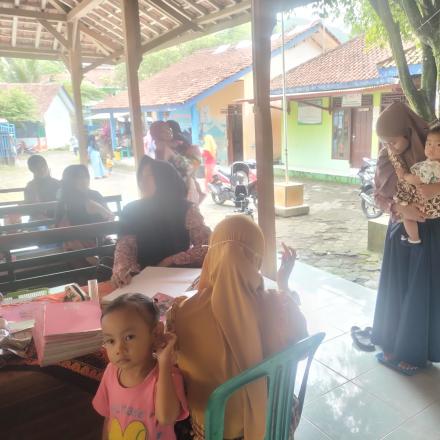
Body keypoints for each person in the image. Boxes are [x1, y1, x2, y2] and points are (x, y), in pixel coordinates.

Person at [167, 215, 308, 439]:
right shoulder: (281, 306)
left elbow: (174, 367)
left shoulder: (180, 312)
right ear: (257, 260)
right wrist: (283, 284)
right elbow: (302, 350)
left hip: (212, 430)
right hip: (272, 424)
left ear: (211, 256)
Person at [372, 102, 440, 374]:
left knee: (421, 292)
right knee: (397, 288)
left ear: (408, 132)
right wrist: (401, 209)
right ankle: (392, 343)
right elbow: (378, 195)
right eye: (384, 142)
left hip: (432, 232)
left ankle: (416, 350)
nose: (389, 146)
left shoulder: (432, 145)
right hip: (400, 229)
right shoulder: (387, 156)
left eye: (393, 140)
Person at [93, 293, 189, 440]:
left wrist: (164, 362)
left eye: (129, 337)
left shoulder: (168, 376)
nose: (119, 349)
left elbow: (166, 418)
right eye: (111, 341)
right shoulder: (110, 372)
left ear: (156, 333)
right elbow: (109, 418)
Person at [112, 156, 210, 287]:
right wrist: (121, 270)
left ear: (164, 179)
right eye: (141, 176)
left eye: (149, 176)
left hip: (178, 277)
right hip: (142, 279)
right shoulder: (131, 210)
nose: (142, 181)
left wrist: (172, 260)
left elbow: (206, 246)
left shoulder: (186, 209)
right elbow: (124, 247)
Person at [394, 126, 440, 244]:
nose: (431, 148)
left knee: (406, 214)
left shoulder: (433, 166)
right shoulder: (431, 163)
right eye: (428, 143)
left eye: (438, 145)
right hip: (432, 206)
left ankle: (414, 238)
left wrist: (403, 175)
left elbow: (416, 180)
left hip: (426, 206)